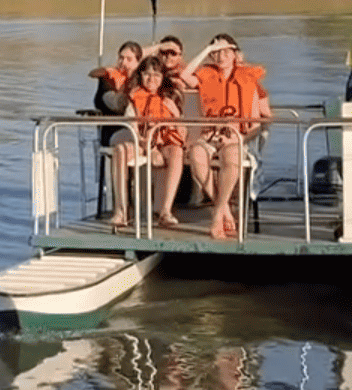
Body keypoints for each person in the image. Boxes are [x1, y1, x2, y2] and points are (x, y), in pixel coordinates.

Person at [183, 33, 264, 239]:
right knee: (196, 155)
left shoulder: (248, 80)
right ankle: (225, 209)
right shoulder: (205, 75)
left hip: (236, 136)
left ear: (235, 54)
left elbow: (255, 124)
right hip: (210, 135)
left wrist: (239, 139)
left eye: (226, 52)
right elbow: (184, 75)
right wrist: (206, 50)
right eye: (216, 53)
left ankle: (217, 214)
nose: (221, 57)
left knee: (232, 158)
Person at [109, 55, 185, 229]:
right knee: (120, 150)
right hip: (141, 142)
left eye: (157, 75)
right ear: (140, 75)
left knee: (176, 152)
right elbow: (133, 129)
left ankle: (165, 211)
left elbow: (182, 133)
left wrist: (176, 116)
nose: (152, 79)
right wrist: (149, 148)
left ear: (162, 78)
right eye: (147, 74)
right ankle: (121, 211)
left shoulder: (172, 98)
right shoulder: (133, 98)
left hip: (165, 143)